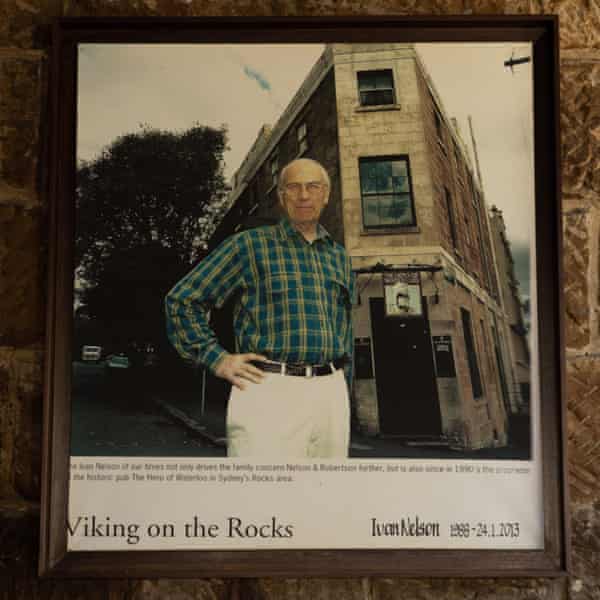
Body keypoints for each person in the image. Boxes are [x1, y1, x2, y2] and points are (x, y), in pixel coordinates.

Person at [165, 158, 355, 458]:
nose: (304, 195)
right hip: (268, 389)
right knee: (261, 498)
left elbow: (344, 327)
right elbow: (183, 300)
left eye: (313, 187)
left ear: (326, 195)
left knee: (326, 498)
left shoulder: (339, 256)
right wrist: (216, 358)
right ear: (282, 197)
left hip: (331, 393)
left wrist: (343, 386)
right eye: (293, 187)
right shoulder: (248, 245)